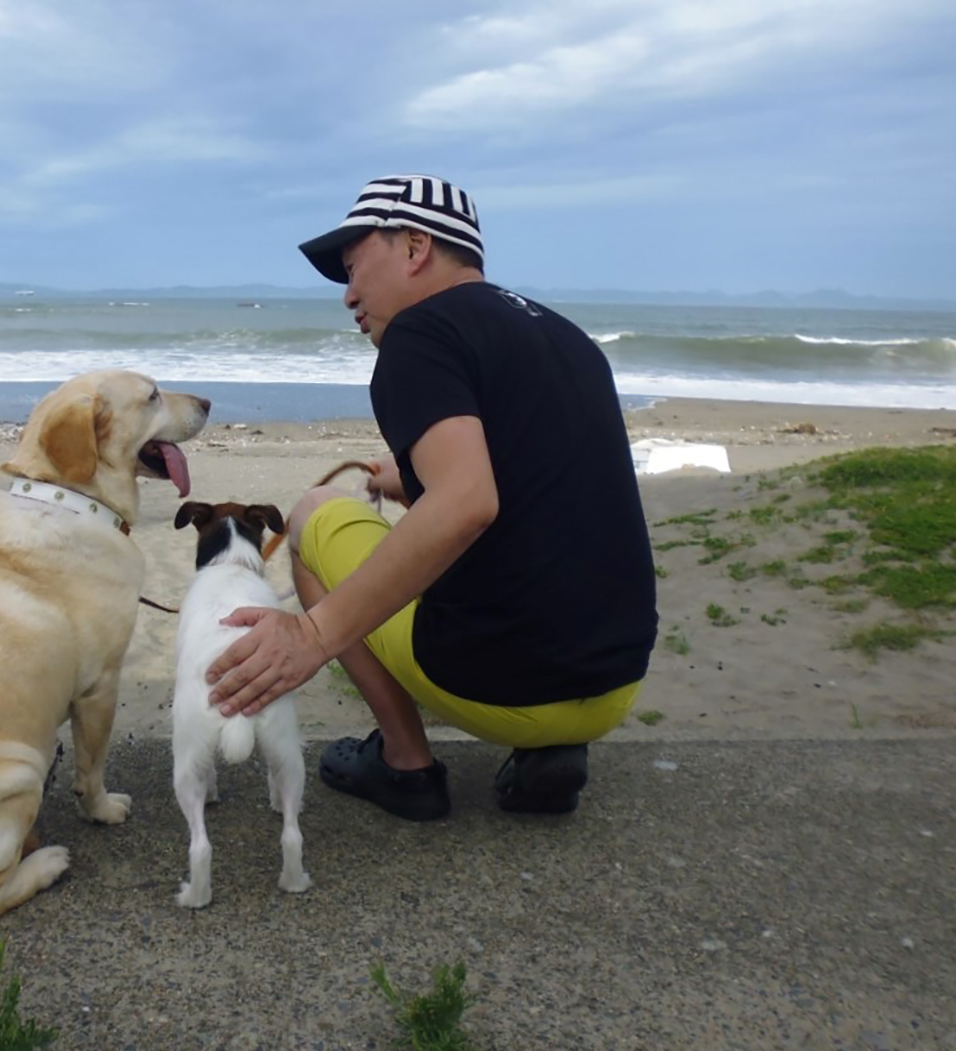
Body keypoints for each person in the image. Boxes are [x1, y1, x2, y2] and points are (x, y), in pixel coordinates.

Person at [206, 174, 657, 821]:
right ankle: (550, 752)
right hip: (615, 683)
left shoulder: (419, 335)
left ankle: (404, 762)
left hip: (498, 687)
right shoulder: (570, 340)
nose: (348, 294)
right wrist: (407, 478)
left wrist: (311, 634)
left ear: (415, 246)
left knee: (311, 515)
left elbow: (469, 501)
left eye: (355, 267)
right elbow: (529, 482)